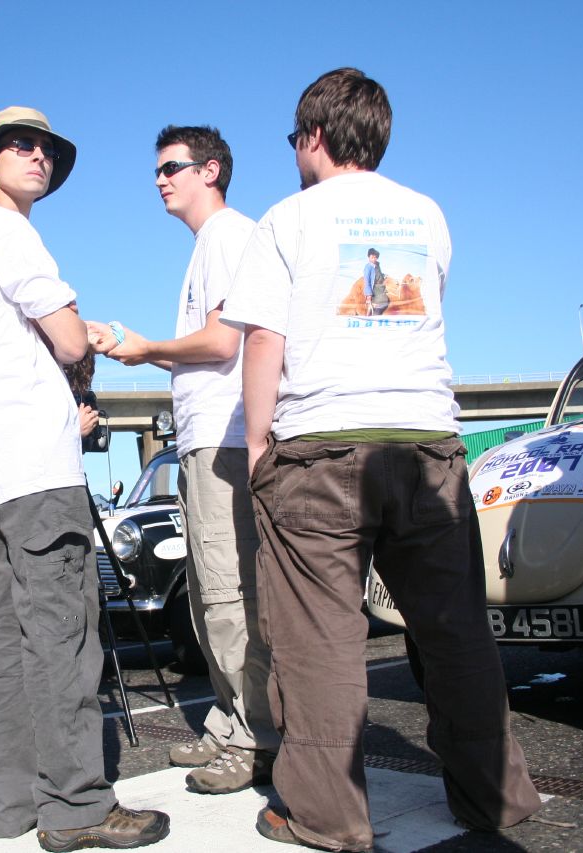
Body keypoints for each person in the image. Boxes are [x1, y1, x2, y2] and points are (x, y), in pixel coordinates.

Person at [221, 68, 540, 850]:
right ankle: (495, 795)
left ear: (315, 136)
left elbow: (265, 338)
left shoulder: (286, 219)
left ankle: (326, 813)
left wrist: (258, 441)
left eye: (296, 139)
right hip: (426, 439)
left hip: (322, 446)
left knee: (321, 639)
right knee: (455, 628)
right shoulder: (427, 214)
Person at [0, 106, 169, 851]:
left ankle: (11, 803)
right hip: (36, 467)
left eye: (44, 148)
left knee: (5, 640)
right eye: (19, 145)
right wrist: (90, 334)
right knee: (64, 638)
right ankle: (77, 805)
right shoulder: (8, 231)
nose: (35, 155)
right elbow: (67, 334)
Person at [90, 125, 278, 795]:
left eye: (172, 167)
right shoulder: (210, 244)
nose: (161, 179)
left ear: (211, 169)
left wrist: (147, 350)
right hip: (207, 440)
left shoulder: (228, 236)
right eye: (158, 170)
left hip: (225, 439)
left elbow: (223, 341)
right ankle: (231, 722)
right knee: (208, 594)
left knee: (230, 593)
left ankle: (255, 736)